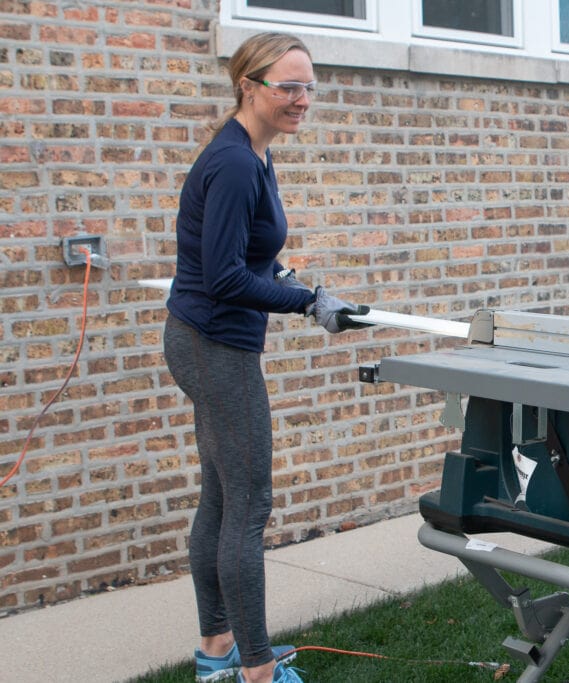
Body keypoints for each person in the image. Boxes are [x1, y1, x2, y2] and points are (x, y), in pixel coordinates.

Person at [163, 32, 369, 683]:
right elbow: (223, 277)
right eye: (289, 86)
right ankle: (257, 669)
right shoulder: (233, 163)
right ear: (249, 85)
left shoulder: (255, 151)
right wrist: (306, 300)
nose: (302, 99)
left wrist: (280, 273)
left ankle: (217, 653)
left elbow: (239, 256)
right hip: (215, 345)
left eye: (309, 85)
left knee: (222, 500)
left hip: (205, 338)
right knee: (248, 504)